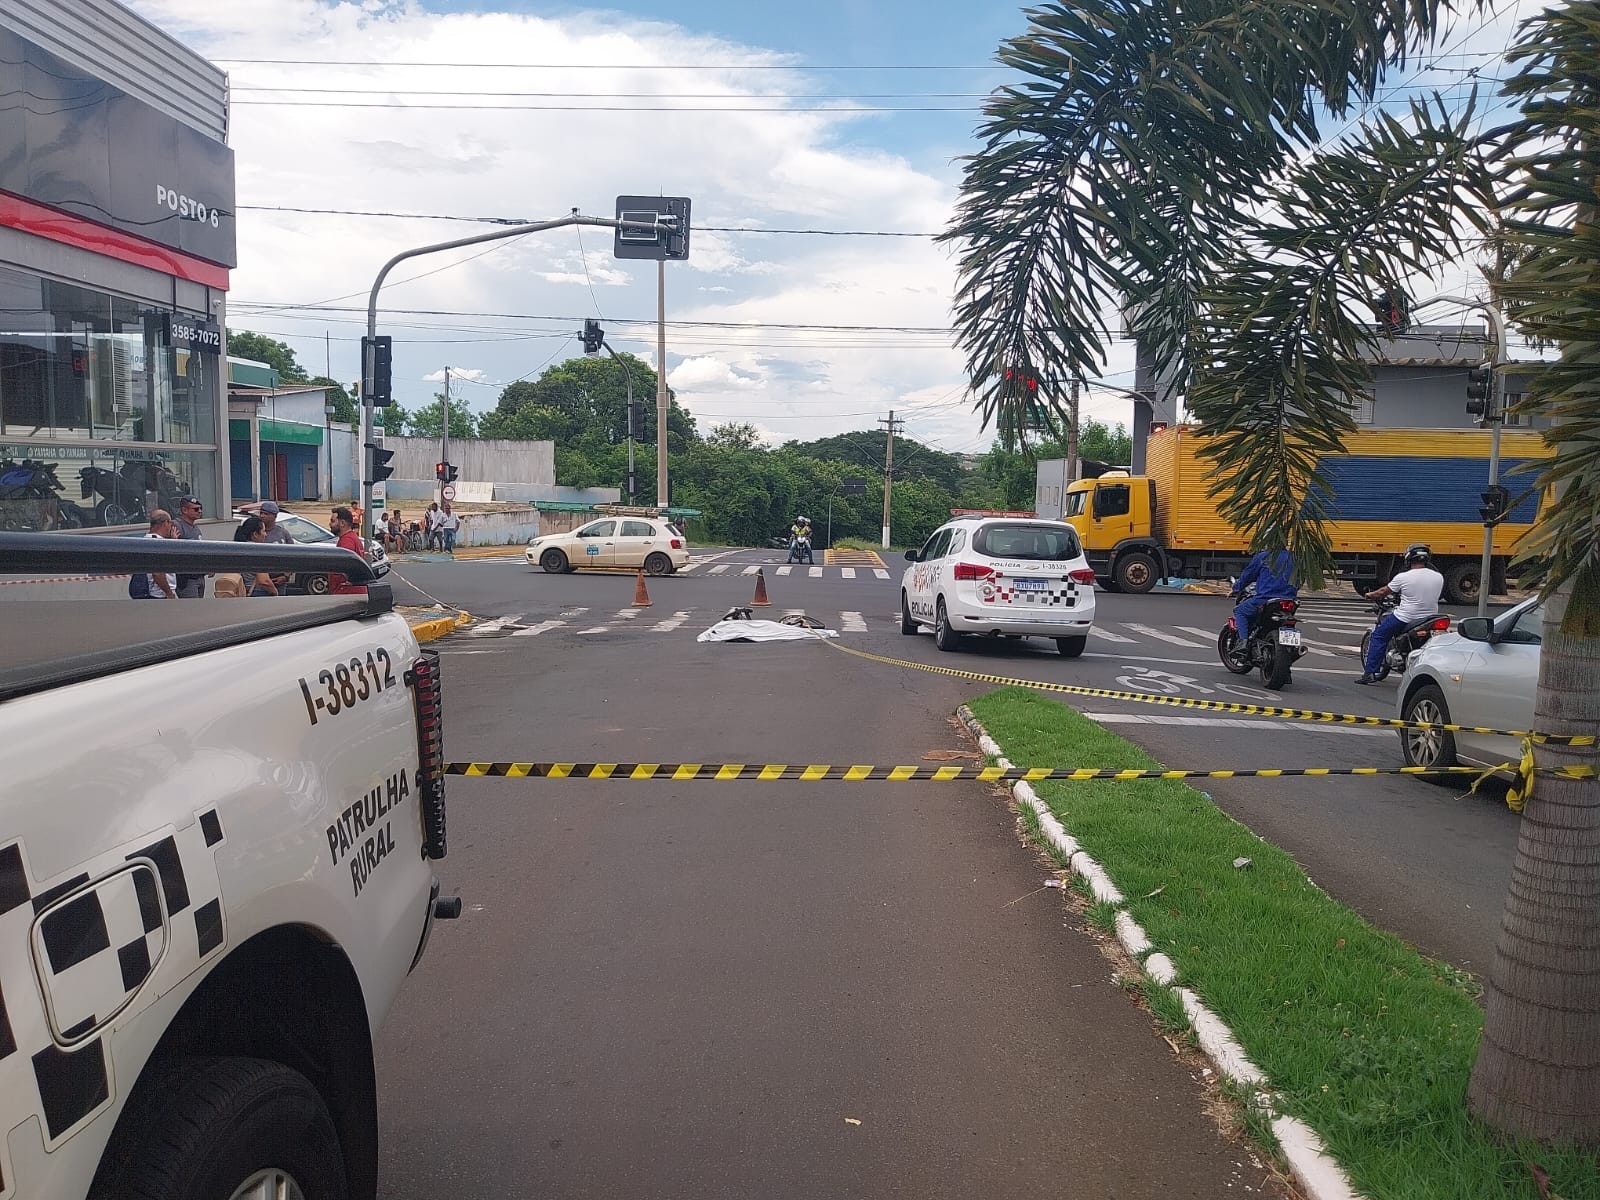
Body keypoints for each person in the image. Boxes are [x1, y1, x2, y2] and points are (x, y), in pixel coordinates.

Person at [1357, 543, 1444, 684]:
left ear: (1409, 559)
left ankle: (1370, 673)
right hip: (1430, 618)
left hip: (1406, 617)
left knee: (1379, 636)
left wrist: (1369, 595)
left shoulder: (1403, 577)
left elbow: (1383, 592)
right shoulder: (1438, 577)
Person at [1230, 537, 1297, 640]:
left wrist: (1235, 588)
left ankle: (1243, 642)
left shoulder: (1263, 557)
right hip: (1289, 600)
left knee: (1240, 611)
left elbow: (1248, 576)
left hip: (1265, 599)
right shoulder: (1295, 559)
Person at [130, 510, 178, 600]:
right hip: (159, 595)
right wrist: (169, 593)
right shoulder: (159, 544)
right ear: (165, 523)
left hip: (148, 593)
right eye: (171, 523)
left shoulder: (143, 541)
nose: (172, 527)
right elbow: (157, 573)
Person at [230, 517, 280, 596]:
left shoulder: (237, 549)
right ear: (255, 534)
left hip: (241, 592)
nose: (266, 534)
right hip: (257, 593)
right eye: (263, 531)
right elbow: (264, 581)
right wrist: (275, 592)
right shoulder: (256, 551)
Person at [327, 506, 368, 595]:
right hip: (350, 591)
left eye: (333, 521)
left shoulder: (347, 541)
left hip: (345, 592)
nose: (330, 524)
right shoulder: (351, 537)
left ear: (342, 523)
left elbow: (346, 566)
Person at [172, 494, 206, 597]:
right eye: (196, 509)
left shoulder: (195, 528)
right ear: (184, 510)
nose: (199, 511)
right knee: (192, 609)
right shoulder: (177, 525)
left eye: (200, 509)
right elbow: (174, 550)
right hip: (186, 578)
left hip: (199, 575)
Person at [257, 500, 294, 593]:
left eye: (266, 514)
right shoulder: (256, 534)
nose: (262, 516)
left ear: (274, 516)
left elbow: (293, 557)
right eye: (261, 513)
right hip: (260, 583)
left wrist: (286, 576)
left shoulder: (283, 533)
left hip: (279, 582)